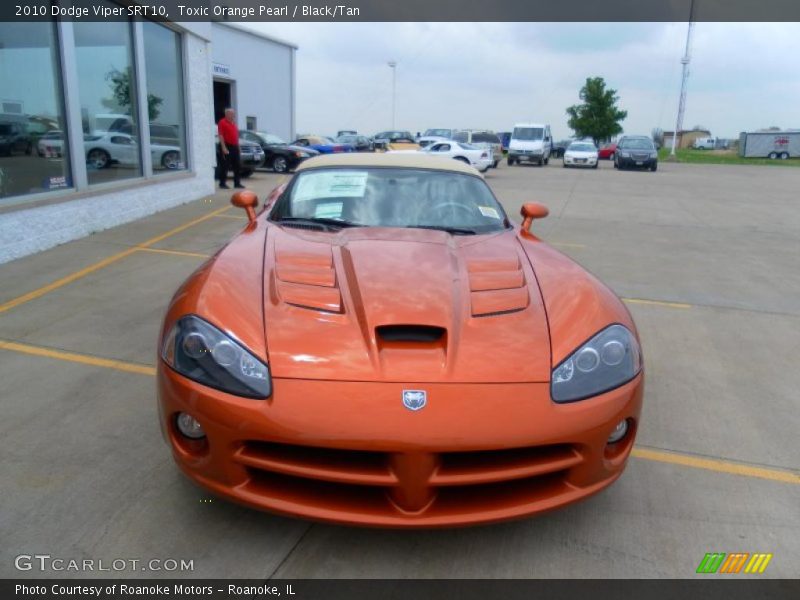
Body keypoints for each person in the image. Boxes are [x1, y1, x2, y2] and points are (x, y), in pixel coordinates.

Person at [217, 108, 244, 189]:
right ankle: (222, 183)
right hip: (226, 145)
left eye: (233, 114)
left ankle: (237, 183)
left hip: (234, 146)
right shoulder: (222, 122)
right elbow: (221, 135)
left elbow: (236, 136)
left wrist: (238, 146)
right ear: (227, 114)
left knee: (237, 165)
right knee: (225, 165)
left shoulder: (233, 123)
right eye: (232, 114)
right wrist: (223, 147)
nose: (233, 115)